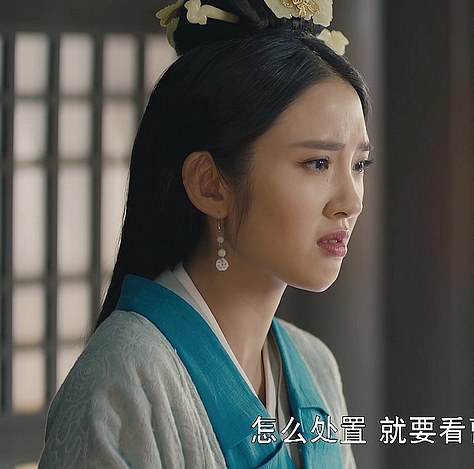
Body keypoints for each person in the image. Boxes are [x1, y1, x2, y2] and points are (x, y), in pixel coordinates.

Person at [39, 0, 371, 467]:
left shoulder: (314, 364)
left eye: (359, 165)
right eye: (317, 163)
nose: (351, 201)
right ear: (210, 184)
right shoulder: (121, 381)